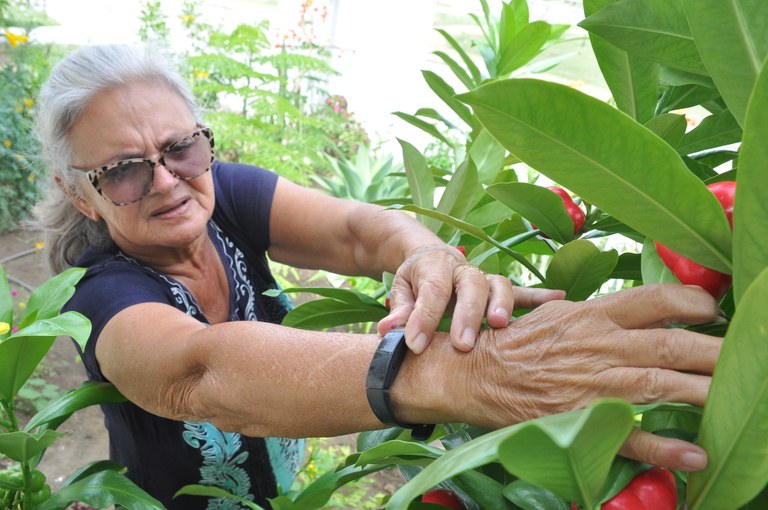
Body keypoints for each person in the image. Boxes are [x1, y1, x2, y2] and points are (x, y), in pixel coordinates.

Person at [33, 44, 721, 510]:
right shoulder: (98, 294)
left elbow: (359, 232)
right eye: (122, 170)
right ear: (80, 193)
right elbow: (199, 373)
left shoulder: (223, 193)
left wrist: (427, 256)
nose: (165, 179)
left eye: (181, 146)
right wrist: (472, 373)